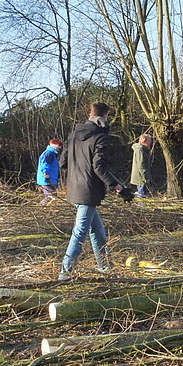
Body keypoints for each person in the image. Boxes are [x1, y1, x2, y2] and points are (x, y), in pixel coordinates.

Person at [58, 102, 133, 279]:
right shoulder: (100, 137)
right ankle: (65, 273)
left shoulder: (74, 134)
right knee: (80, 231)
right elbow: (99, 167)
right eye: (107, 117)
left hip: (74, 189)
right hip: (88, 191)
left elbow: (63, 163)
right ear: (103, 117)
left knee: (97, 230)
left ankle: (106, 267)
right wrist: (118, 187)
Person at [36, 138, 62, 205]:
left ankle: (46, 209)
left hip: (51, 179)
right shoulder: (49, 154)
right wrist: (46, 175)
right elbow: (45, 165)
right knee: (50, 197)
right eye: (58, 147)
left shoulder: (52, 154)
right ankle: (39, 207)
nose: (59, 149)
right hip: (47, 180)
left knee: (53, 196)